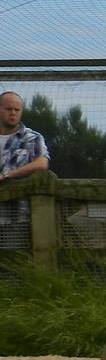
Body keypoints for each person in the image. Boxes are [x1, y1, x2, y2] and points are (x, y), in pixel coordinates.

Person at [0, 90, 49, 249]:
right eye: (8, 109)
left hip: (17, 215)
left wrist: (7, 175)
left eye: (17, 109)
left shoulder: (32, 138)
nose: (13, 113)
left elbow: (42, 163)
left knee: (14, 259)